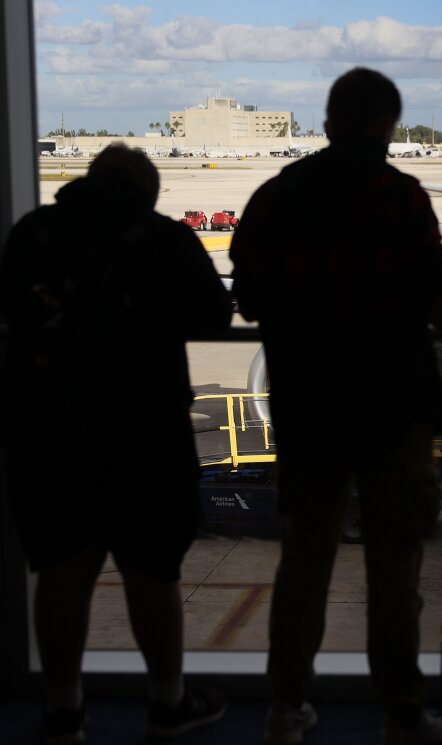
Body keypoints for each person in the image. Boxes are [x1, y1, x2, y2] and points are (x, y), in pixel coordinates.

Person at [230, 67, 442, 745]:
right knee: (395, 572)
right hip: (393, 407)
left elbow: (248, 298)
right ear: (389, 125)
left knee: (304, 564)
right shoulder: (402, 197)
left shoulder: (278, 196)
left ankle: (285, 707)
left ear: (328, 122)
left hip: (309, 408)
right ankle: (402, 712)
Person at [0, 144, 234, 743]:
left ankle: (62, 712)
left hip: (48, 430)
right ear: (145, 193)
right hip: (144, 433)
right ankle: (168, 703)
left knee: (60, 573)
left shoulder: (32, 234)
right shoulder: (163, 238)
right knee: (152, 574)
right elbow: (213, 318)